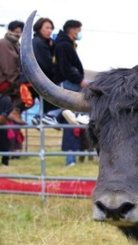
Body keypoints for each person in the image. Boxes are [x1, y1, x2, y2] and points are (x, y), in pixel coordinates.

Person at [53, 19, 89, 166]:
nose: (79, 33)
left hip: (71, 83)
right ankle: (54, 116)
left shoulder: (65, 44)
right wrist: (80, 80)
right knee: (71, 118)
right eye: (78, 30)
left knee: (74, 120)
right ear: (71, 29)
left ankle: (57, 116)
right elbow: (66, 67)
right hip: (69, 84)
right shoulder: (64, 45)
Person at [0, 20, 27, 125]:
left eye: (20, 31)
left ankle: (7, 116)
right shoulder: (4, 44)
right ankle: (9, 114)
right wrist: (18, 83)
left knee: (25, 93)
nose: (18, 33)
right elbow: (9, 67)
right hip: (3, 81)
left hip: (7, 81)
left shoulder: (14, 44)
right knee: (27, 93)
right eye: (16, 30)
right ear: (10, 30)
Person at [29, 16, 59, 126]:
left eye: (51, 28)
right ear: (39, 28)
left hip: (38, 79)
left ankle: (39, 117)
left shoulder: (43, 43)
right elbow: (45, 64)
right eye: (47, 28)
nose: (49, 31)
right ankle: (47, 116)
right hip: (41, 79)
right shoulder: (38, 43)